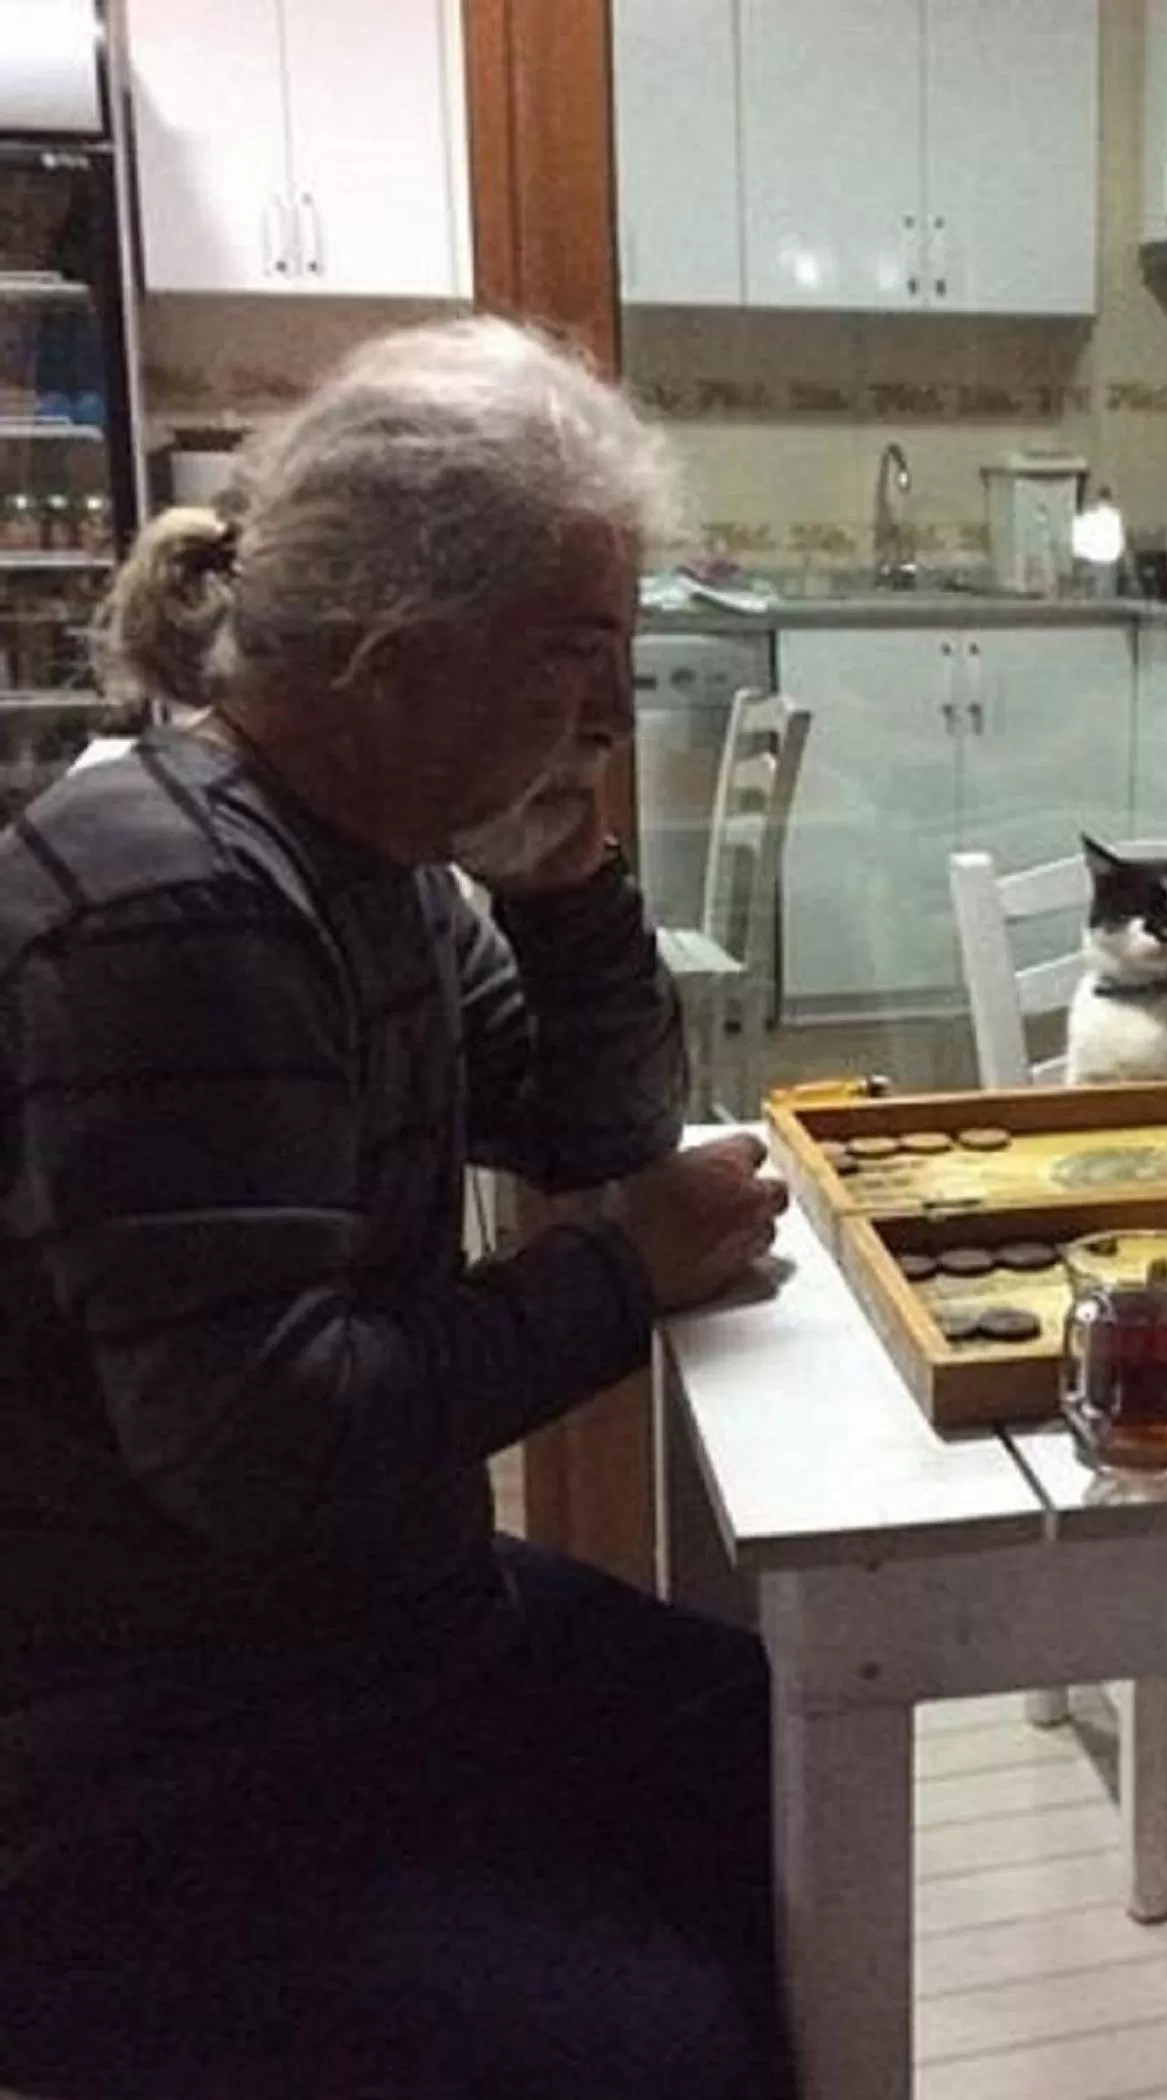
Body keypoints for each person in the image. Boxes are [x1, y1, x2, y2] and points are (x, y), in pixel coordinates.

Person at [0, 317, 795, 2098]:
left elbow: (598, 1123)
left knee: (759, 1729)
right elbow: (269, 1444)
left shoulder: (376, 867)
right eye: (574, 656)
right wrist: (616, 1270)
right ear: (389, 653)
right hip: (148, 1754)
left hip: (362, 1642)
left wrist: (569, 864)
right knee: (654, 2051)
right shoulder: (176, 906)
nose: (610, 711)